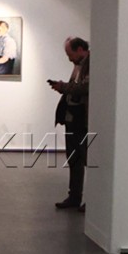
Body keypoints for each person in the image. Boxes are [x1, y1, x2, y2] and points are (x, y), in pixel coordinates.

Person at [48, 36, 90, 210]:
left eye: (69, 54)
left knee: (87, 159)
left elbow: (85, 87)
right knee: (74, 159)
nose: (69, 58)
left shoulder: (91, 64)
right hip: (73, 118)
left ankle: (90, 200)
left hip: (83, 120)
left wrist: (63, 87)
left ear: (80, 49)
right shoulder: (79, 65)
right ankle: (74, 197)